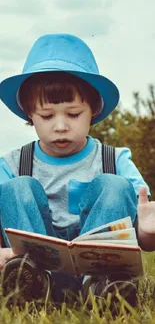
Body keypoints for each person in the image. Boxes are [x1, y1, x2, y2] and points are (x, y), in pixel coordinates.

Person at [0, 33, 154, 310]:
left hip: (101, 273)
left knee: (114, 185)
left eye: (73, 114)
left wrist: (147, 230)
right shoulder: (11, 165)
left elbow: (145, 239)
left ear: (93, 109)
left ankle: (104, 290)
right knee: (15, 188)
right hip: (38, 272)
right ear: (29, 113)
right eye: (47, 116)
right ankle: (31, 288)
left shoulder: (115, 159)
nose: (60, 126)